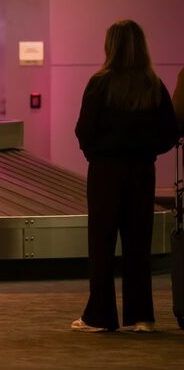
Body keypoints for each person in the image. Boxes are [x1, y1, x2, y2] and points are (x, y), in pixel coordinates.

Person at [73, 20, 179, 332]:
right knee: (138, 244)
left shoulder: (99, 83)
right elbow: (170, 132)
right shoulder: (153, 84)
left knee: (102, 245)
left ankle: (101, 316)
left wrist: (97, 155)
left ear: (111, 46)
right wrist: (148, 153)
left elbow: (84, 130)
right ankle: (141, 316)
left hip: (105, 171)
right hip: (142, 172)